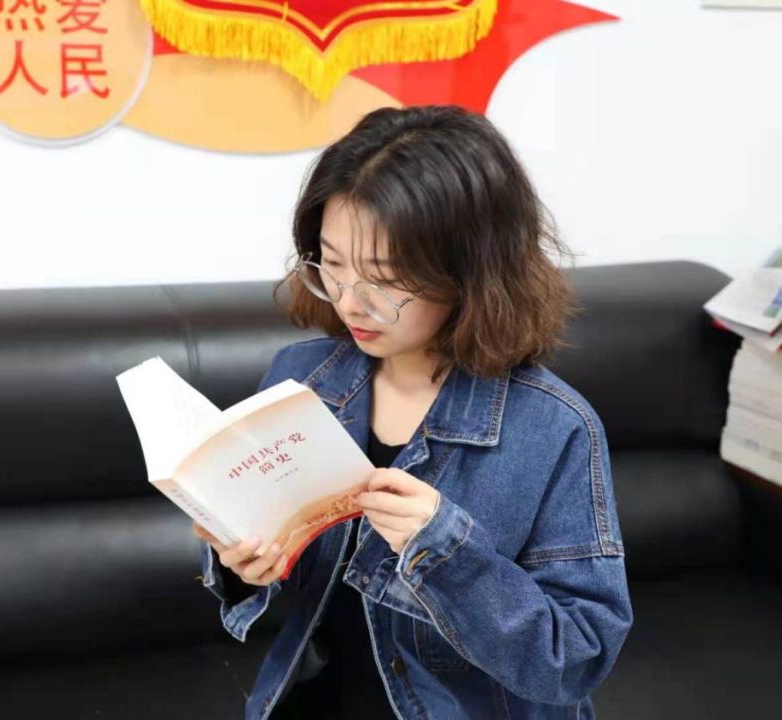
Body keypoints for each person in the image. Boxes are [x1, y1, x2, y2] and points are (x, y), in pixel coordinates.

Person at [193, 104, 633, 720]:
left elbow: (575, 658)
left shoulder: (554, 428)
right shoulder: (301, 379)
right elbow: (296, 581)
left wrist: (447, 553)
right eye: (332, 265)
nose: (351, 302)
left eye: (385, 279)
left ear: (472, 274)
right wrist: (244, 564)